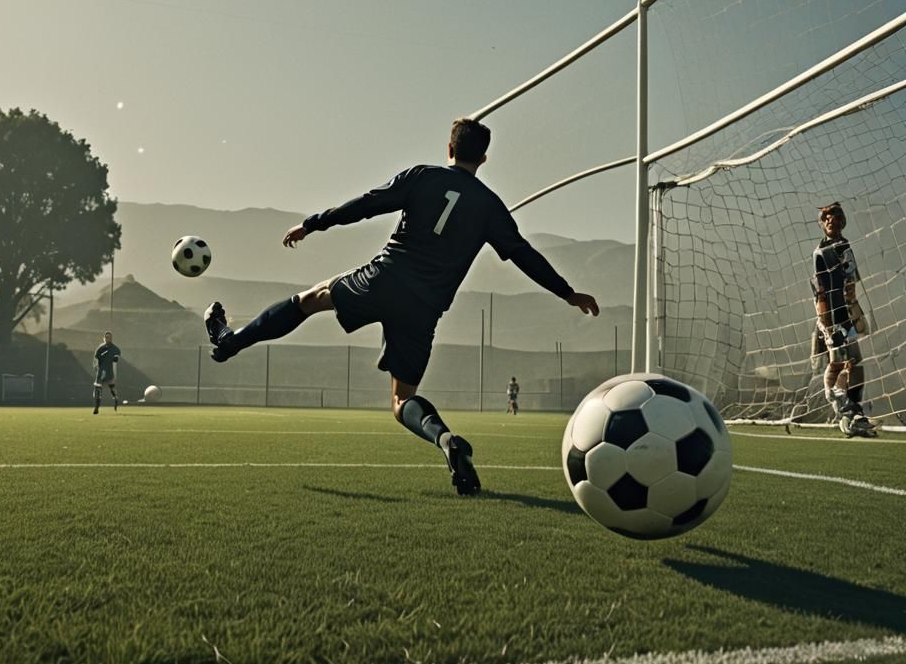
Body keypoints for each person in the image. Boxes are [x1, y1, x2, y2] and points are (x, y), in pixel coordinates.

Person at [203, 118, 600, 494]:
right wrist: (567, 293)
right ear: (483, 158)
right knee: (401, 401)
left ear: (449, 147)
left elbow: (368, 203)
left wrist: (314, 223)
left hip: (385, 279)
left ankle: (229, 340)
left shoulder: (423, 176)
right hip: (424, 308)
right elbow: (522, 254)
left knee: (312, 299)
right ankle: (445, 439)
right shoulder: (490, 207)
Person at [810, 202, 875, 437]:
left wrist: (854, 309)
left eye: (834, 216)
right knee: (838, 362)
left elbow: (851, 281)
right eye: (825, 217)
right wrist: (824, 319)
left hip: (846, 314)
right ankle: (839, 404)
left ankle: (853, 409)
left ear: (842, 221)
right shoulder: (820, 252)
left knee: (855, 360)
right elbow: (820, 290)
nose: (830, 220)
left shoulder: (845, 245)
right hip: (831, 315)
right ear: (822, 223)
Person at [93, 331, 121, 415]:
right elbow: (96, 358)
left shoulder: (115, 349)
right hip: (101, 371)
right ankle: (96, 408)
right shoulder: (100, 348)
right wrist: (96, 366)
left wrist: (114, 371)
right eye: (106, 337)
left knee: (111, 387)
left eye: (108, 337)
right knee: (97, 388)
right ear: (103, 338)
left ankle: (115, 399)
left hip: (109, 371)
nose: (107, 338)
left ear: (111, 338)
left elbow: (116, 360)